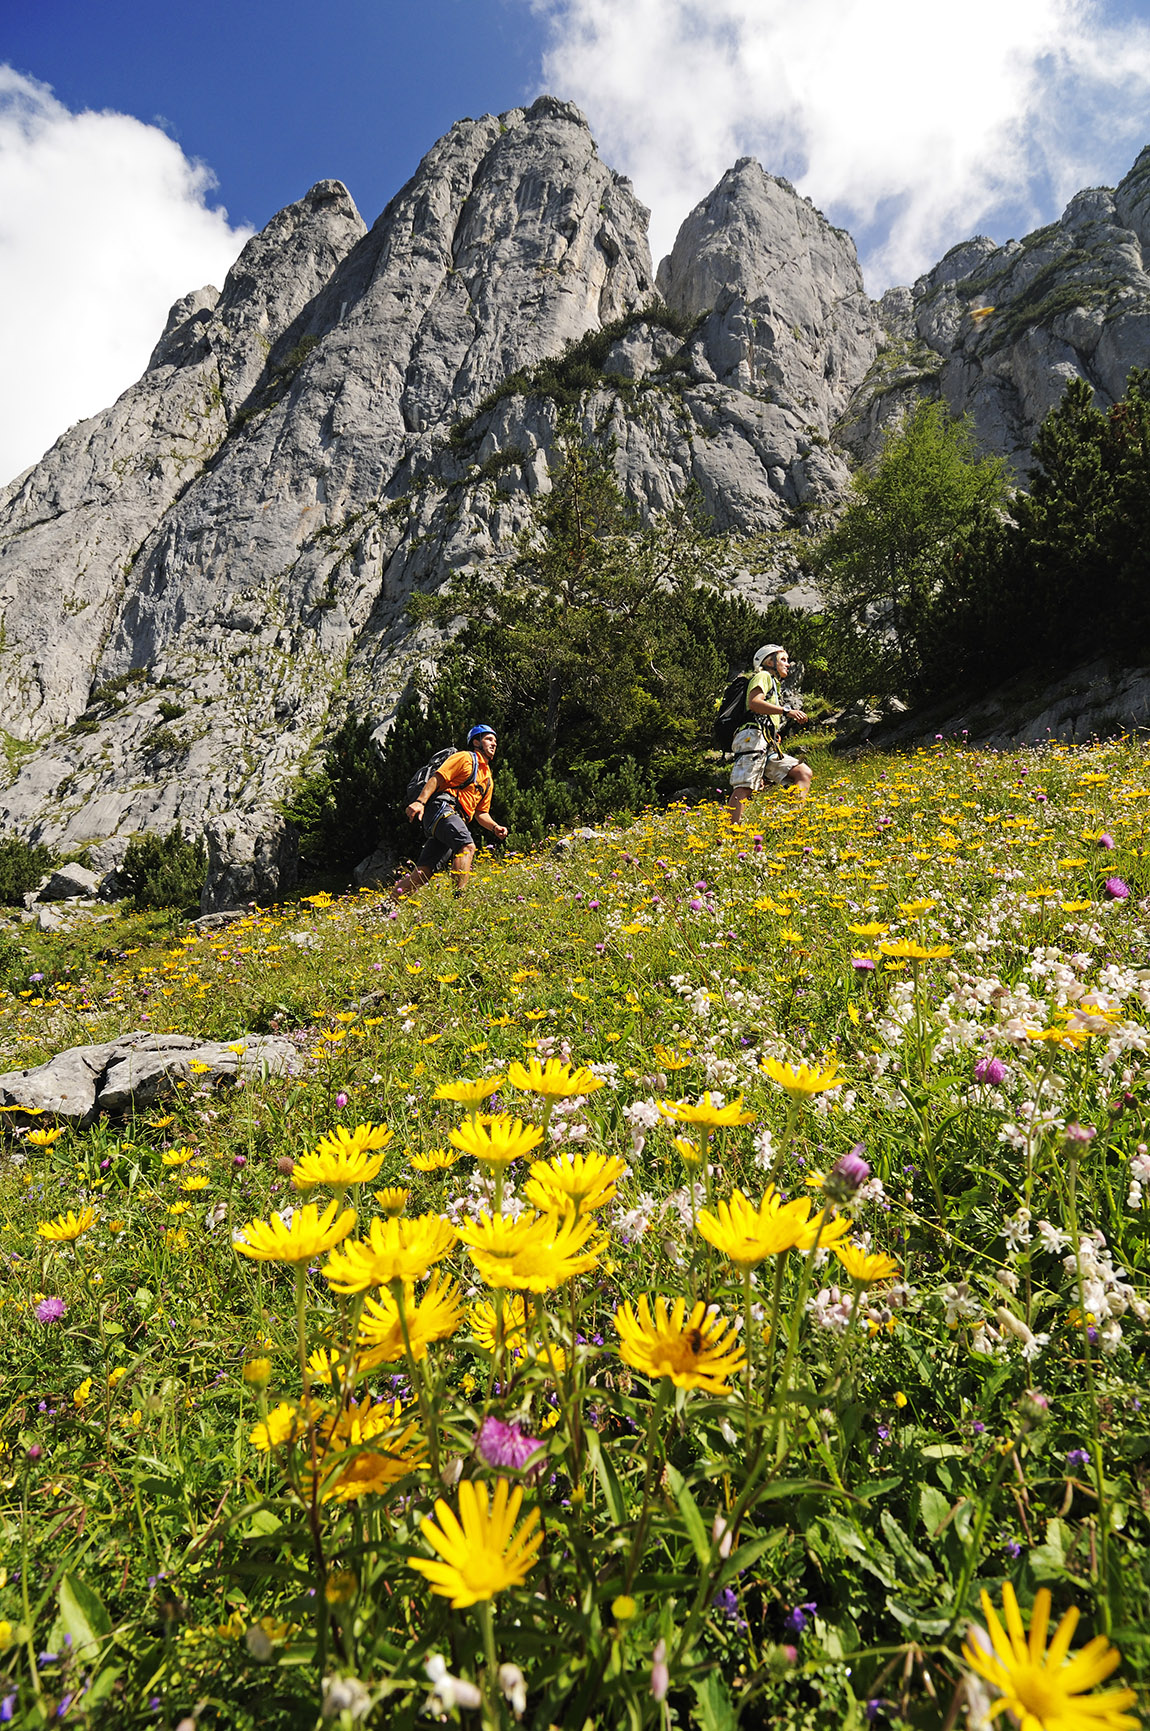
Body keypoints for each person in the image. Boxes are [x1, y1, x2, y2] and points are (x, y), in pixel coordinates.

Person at [391, 725, 508, 899]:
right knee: (466, 846)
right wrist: (420, 802)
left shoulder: (488, 779)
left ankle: (386, 906)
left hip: (452, 818)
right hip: (442, 808)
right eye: (489, 739)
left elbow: (481, 813)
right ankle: (459, 900)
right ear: (476, 742)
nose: (494, 744)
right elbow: (437, 778)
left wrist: (495, 827)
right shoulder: (465, 758)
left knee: (424, 871)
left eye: (495, 741)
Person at [728, 644, 812, 824]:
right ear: (768, 661)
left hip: (765, 741)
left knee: (802, 773)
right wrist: (786, 711)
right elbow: (754, 703)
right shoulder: (763, 676)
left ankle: (791, 822)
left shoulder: (773, 683)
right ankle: (730, 835)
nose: (788, 664)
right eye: (783, 659)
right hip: (752, 737)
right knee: (745, 785)